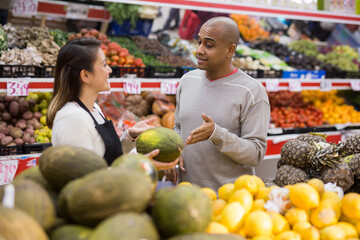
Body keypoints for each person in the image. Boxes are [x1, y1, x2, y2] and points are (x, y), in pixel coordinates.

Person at [166, 17, 270, 191]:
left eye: (209, 45)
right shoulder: (187, 80)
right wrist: (172, 150)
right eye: (199, 42)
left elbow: (256, 154)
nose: (199, 50)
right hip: (186, 195)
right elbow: (178, 127)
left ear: (230, 50)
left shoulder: (252, 91)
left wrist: (217, 134)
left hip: (230, 202)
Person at [47, 37, 178, 170]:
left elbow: (107, 157)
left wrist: (129, 137)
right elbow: (85, 178)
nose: (110, 70)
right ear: (85, 75)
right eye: (104, 65)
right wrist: (139, 166)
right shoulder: (73, 119)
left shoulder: (94, 108)